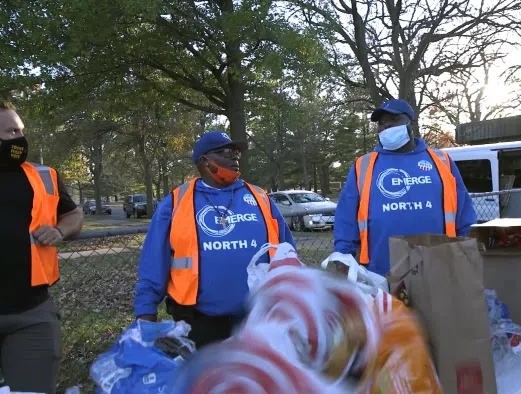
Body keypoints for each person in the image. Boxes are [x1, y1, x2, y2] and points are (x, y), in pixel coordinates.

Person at [133, 131, 295, 348]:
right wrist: (146, 313)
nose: (234, 157)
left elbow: (287, 251)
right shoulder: (176, 202)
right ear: (203, 160)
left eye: (235, 152)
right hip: (199, 323)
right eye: (224, 152)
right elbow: (154, 262)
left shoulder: (259, 197)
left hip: (259, 319)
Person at [334, 99, 477, 275]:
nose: (386, 126)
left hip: (439, 267)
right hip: (380, 270)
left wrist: (470, 247)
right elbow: (346, 215)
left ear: (411, 122)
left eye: (393, 120)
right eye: (381, 123)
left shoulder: (441, 161)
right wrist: (343, 254)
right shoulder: (363, 165)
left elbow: (464, 211)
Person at [0, 100, 84, 393]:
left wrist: (60, 230)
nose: (21, 139)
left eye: (21, 130)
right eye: (12, 131)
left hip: (31, 313)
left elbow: (74, 214)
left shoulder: (44, 175)